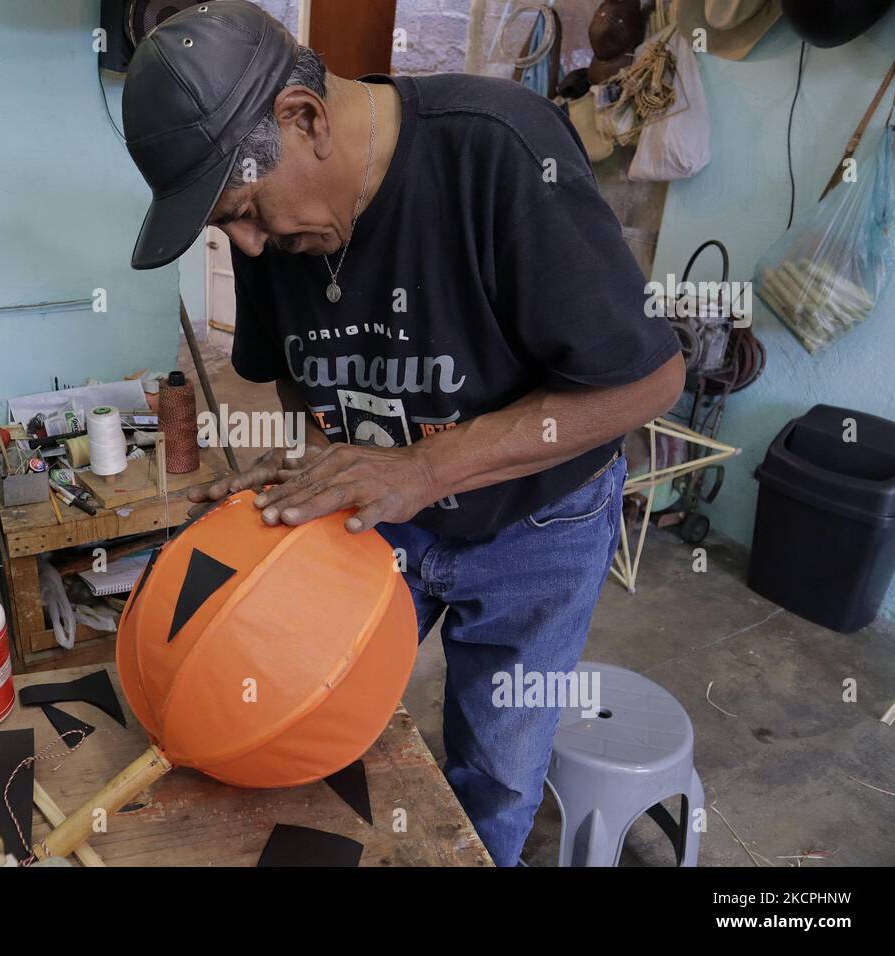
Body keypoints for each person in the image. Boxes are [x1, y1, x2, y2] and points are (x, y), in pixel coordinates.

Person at [121, 1, 683, 866]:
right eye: (225, 226)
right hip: (383, 512)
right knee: (305, 711)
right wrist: (301, 463)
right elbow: (294, 378)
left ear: (302, 119)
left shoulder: (498, 151)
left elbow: (651, 378)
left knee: (496, 762)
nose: (246, 245)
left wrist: (426, 466)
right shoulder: (271, 225)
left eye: (243, 210)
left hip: (536, 521)